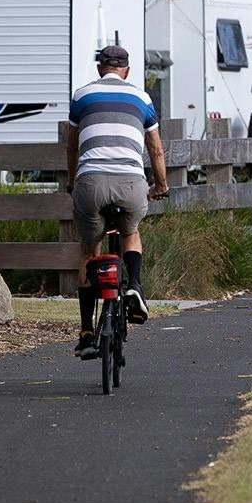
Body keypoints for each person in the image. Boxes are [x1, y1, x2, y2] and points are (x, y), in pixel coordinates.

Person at [65, 43, 169, 357]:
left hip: (91, 183)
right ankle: (135, 285)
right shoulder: (142, 98)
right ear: (127, 70)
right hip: (131, 184)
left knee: (88, 248)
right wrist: (160, 185)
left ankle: (85, 331)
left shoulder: (81, 96)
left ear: (100, 68)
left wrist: (74, 182)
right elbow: (156, 150)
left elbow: (72, 148)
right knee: (130, 232)